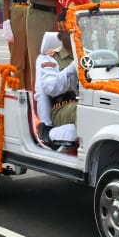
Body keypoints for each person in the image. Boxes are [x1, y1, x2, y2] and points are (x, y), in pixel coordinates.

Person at [35, 15, 78, 144]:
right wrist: (71, 69)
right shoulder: (50, 58)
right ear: (59, 37)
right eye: (69, 32)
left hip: (88, 102)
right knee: (86, 111)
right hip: (62, 108)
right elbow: (51, 88)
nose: (74, 35)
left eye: (75, 31)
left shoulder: (87, 54)